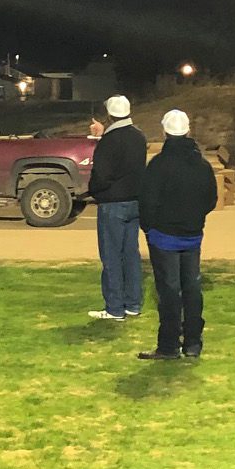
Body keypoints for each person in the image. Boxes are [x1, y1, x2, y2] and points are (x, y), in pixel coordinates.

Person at [136, 110, 218, 362]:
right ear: (188, 131)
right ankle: (193, 342)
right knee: (192, 288)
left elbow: (147, 202)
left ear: (165, 132)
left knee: (170, 292)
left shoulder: (159, 165)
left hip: (164, 237)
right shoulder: (202, 165)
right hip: (192, 235)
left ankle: (169, 345)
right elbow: (211, 200)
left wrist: (149, 227)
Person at [87, 94, 147, 321]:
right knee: (131, 254)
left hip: (113, 203)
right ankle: (133, 303)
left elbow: (102, 175)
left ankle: (114, 308)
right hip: (134, 202)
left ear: (110, 115)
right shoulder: (138, 137)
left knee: (111, 256)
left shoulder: (109, 142)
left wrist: (94, 191)